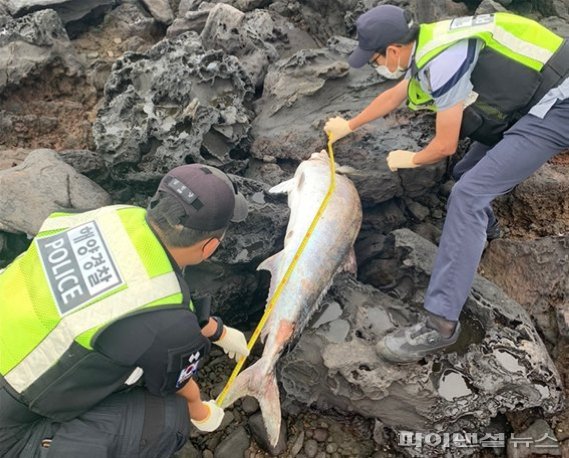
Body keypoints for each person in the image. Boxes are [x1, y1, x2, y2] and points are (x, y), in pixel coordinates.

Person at [325, 5, 569, 363]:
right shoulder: (430, 42)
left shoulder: (443, 59)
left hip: (558, 103)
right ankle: (485, 233)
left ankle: (440, 323)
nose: (377, 64)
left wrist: (409, 158)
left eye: (375, 57)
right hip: (531, 94)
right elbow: (398, 93)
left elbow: (444, 146)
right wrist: (349, 124)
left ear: (393, 50)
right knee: (466, 175)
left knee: (467, 195)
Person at [0, 164, 251, 457]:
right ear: (208, 248)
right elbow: (178, 380)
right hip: (9, 424)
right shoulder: (166, 321)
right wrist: (201, 412)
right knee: (170, 418)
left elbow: (135, 293)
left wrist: (217, 331)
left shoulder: (115, 216)